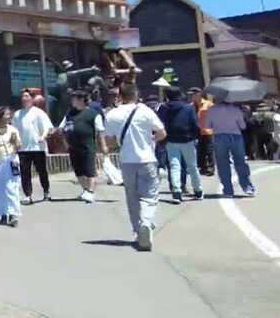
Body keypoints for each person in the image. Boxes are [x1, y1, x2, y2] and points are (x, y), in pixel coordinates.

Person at [104, 82, 167, 251]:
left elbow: (109, 142)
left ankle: (137, 230)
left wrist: (120, 141)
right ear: (136, 94)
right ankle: (146, 222)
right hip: (147, 158)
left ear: (120, 96)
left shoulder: (112, 114)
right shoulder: (146, 111)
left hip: (126, 160)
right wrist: (150, 140)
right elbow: (162, 133)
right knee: (149, 195)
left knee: (132, 197)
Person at [60, 90, 107, 203]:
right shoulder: (69, 113)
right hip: (73, 147)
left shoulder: (93, 114)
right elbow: (62, 128)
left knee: (89, 170)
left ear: (81, 99)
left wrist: (103, 146)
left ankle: (90, 192)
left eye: (74, 98)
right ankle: (85, 190)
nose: (72, 100)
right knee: (79, 172)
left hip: (87, 146)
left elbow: (100, 131)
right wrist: (65, 143)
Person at [157, 87, 203, 202]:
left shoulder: (163, 107)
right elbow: (194, 123)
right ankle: (198, 191)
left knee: (174, 166)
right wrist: (196, 137)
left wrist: (162, 139)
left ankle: (176, 192)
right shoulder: (187, 107)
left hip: (171, 140)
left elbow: (159, 123)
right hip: (187, 139)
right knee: (192, 166)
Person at [206, 98, 256, 198]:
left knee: (222, 164)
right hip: (235, 136)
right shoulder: (235, 110)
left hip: (219, 136)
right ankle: (247, 187)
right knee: (240, 162)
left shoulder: (211, 110)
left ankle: (227, 189)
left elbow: (208, 125)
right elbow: (242, 126)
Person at [12, 89, 54, 204]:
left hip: (37, 147)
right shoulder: (17, 114)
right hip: (23, 148)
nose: (24, 99)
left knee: (42, 171)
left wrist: (43, 136)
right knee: (25, 172)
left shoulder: (38, 112)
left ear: (32, 98)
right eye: (23, 97)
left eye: (26, 96)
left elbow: (47, 127)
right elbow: (13, 130)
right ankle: (27, 195)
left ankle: (46, 191)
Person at [189, 88, 215, 176]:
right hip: (197, 131)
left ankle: (211, 168)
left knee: (209, 150)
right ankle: (202, 168)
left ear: (199, 94)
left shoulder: (208, 105)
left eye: (193, 94)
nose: (191, 96)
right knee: (200, 150)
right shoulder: (191, 106)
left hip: (208, 131)